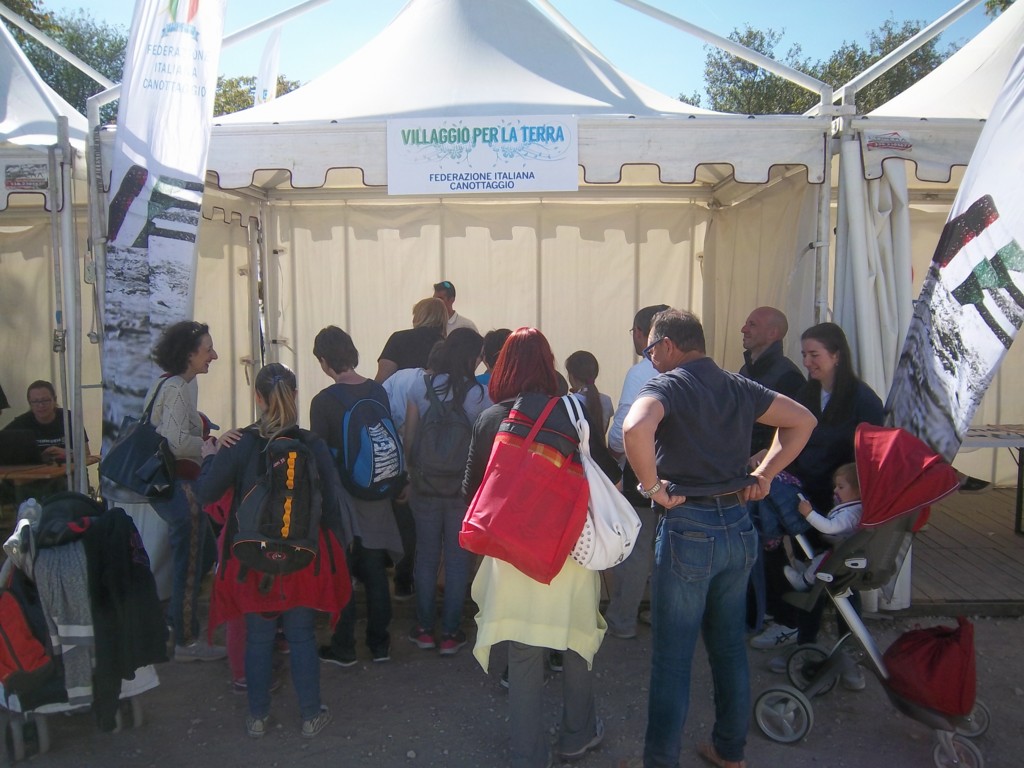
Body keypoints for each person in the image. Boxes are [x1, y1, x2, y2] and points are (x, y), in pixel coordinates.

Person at [621, 309, 815, 768]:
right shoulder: (738, 385)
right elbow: (803, 420)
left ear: (668, 345)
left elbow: (634, 427)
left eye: (651, 351)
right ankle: (730, 752)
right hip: (738, 526)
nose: (650, 360)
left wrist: (651, 487)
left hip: (689, 526)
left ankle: (660, 762)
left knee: (673, 657)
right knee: (728, 648)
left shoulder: (668, 386)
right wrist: (765, 474)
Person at [465, 327, 606, 768]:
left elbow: (473, 493)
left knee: (523, 652)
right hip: (570, 549)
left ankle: (528, 755)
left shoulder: (491, 419)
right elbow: (605, 476)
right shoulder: (575, 411)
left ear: (502, 367)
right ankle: (577, 736)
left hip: (512, 554)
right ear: (549, 365)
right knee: (577, 641)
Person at [198, 363, 352, 739]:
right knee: (301, 636)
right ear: (295, 395)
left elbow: (205, 493)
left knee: (258, 636)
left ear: (258, 398)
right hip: (303, 556)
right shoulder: (312, 444)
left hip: (252, 560)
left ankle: (257, 717)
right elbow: (331, 506)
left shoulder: (238, 443)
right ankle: (311, 715)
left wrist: (210, 455)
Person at [750, 322, 883, 690]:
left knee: (842, 581)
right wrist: (766, 461)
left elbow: (872, 457)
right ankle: (805, 648)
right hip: (806, 502)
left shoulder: (863, 399)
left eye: (815, 355)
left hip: (843, 509)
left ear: (836, 355)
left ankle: (849, 658)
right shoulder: (804, 394)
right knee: (813, 575)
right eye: (804, 354)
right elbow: (785, 438)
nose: (807, 362)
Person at [311, 326, 403, 665]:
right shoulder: (377, 390)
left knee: (343, 570)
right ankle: (380, 645)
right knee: (375, 568)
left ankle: (344, 646)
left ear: (324, 361)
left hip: (342, 494)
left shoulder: (323, 401)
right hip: (377, 489)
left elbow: (320, 455)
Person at [404, 329, 491, 655]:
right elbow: (484, 446)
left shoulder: (420, 386)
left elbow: (410, 437)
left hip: (425, 486)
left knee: (426, 556)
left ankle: (425, 629)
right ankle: (452, 633)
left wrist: (413, 473)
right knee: (457, 561)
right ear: (471, 356)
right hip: (461, 490)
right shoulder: (478, 394)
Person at [145, 320, 227, 662]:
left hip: (169, 486)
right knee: (190, 563)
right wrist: (212, 444)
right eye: (208, 350)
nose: (214, 356)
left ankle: (175, 622)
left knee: (203, 552)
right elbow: (177, 442)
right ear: (189, 354)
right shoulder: (178, 388)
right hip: (181, 486)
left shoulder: (168, 383)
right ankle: (186, 640)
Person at [738, 307, 807, 635]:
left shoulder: (788, 376)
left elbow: (795, 428)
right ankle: (758, 612)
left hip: (771, 479)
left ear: (773, 334)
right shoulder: (747, 369)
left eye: (752, 324)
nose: (743, 329)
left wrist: (768, 460)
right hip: (746, 474)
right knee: (754, 550)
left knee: (772, 549)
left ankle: (786, 619)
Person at [603, 304, 669, 640]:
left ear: (643, 334)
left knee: (638, 549)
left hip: (644, 472)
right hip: (680, 473)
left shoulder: (640, 373)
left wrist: (615, 453)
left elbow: (622, 431)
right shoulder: (691, 371)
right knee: (668, 549)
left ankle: (622, 620)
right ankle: (664, 616)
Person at [784, 463, 863, 591]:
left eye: (841, 487)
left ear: (858, 490)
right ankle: (808, 570)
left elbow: (829, 527)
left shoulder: (851, 514)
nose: (835, 490)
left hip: (842, 551)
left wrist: (809, 514)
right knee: (819, 559)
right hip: (842, 546)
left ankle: (804, 581)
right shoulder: (855, 508)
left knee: (823, 561)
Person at [3, 380, 90, 462]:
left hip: (69, 470)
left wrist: (69, 454)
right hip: (37, 471)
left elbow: (87, 454)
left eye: (45, 400)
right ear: (30, 403)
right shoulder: (21, 423)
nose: (41, 405)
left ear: (54, 400)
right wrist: (40, 457)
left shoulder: (70, 418)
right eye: (35, 401)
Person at [375, 297, 448, 384]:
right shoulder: (447, 345)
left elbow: (382, 379)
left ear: (420, 317)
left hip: (402, 391)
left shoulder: (398, 338)